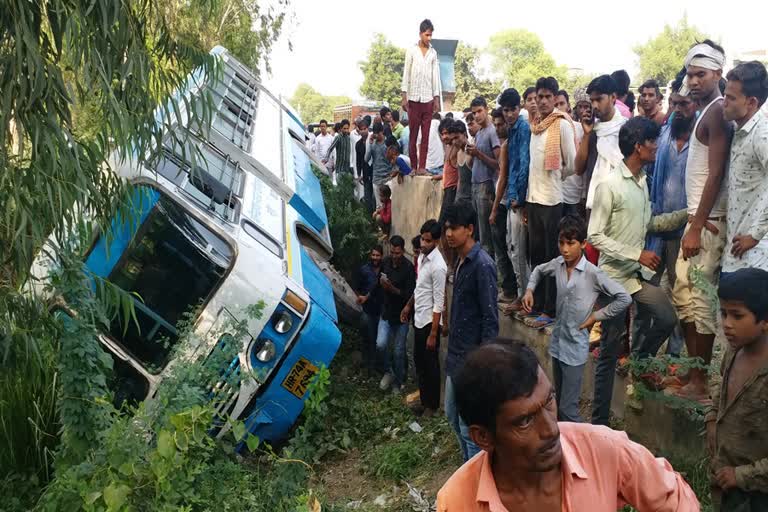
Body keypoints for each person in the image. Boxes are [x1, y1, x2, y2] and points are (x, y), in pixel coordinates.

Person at [436, 340, 700, 511]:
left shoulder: (603, 449)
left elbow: (678, 501)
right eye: (525, 421)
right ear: (483, 437)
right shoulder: (458, 502)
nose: (551, 430)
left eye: (549, 400)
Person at [588, 117, 688, 425]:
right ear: (637, 146)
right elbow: (595, 236)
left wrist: (690, 213)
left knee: (668, 317)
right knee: (607, 351)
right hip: (614, 280)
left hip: (635, 277)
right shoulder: (610, 186)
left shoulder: (642, 181)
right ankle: (599, 423)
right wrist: (637, 254)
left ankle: (639, 361)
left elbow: (647, 225)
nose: (657, 146)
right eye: (652, 141)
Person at [522, 216, 631, 422]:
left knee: (568, 409)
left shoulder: (593, 274)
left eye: (571, 243)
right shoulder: (558, 265)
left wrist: (596, 317)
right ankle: (564, 448)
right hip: (558, 345)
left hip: (575, 349)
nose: (565, 249)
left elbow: (623, 298)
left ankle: (582, 447)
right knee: (560, 405)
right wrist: (529, 290)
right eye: (561, 243)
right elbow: (537, 270)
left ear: (583, 244)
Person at [673, 40, 732, 401]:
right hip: (698, 218)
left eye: (701, 74)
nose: (693, 81)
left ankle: (700, 383)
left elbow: (715, 174)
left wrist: (697, 225)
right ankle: (694, 373)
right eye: (691, 75)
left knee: (700, 301)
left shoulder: (717, 112)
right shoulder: (706, 110)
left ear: (718, 74)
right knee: (684, 295)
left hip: (707, 224)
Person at [643, 68, 695, 358]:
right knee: (647, 290)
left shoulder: (702, 139)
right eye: (674, 104)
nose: (677, 110)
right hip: (655, 226)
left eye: (683, 105)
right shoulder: (663, 135)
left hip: (684, 232)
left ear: (694, 106)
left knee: (681, 295)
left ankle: (675, 356)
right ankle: (644, 353)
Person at [707, 269, 768, 511]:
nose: (727, 325)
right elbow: (720, 387)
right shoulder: (734, 351)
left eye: (737, 316)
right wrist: (712, 416)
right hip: (727, 490)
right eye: (723, 313)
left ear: (765, 320)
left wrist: (741, 476)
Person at [443, 201, 499, 461]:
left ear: (469, 229)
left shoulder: (482, 265)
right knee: (450, 414)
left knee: (469, 428)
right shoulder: (461, 261)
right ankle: (470, 469)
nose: (449, 234)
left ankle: (476, 479)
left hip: (472, 361)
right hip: (456, 356)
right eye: (446, 228)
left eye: (454, 228)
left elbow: (490, 318)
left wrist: (483, 365)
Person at [525, 76, 577, 328]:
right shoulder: (535, 126)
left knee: (552, 257)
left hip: (552, 201)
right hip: (533, 199)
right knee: (535, 256)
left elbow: (571, 164)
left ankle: (550, 309)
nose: (542, 101)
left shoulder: (562, 125)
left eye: (547, 97)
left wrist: (556, 176)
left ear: (555, 99)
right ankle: (536, 304)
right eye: (539, 96)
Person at [722, 61, 768, 273]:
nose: (724, 102)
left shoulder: (761, 133)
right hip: (736, 250)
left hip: (755, 255)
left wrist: (756, 235)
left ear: (751, 102)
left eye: (731, 98)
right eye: (725, 95)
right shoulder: (739, 130)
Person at [400, 220, 447, 417]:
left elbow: (439, 301)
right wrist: (408, 305)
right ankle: (424, 400)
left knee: (431, 366)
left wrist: (433, 334)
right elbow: (419, 287)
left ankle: (432, 406)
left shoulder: (439, 266)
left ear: (436, 241)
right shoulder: (421, 258)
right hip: (418, 317)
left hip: (430, 323)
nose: (423, 243)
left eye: (428, 240)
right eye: (422, 238)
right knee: (420, 363)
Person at [493, 88, 530, 307]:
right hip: (512, 197)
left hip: (518, 199)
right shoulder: (513, 129)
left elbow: (524, 164)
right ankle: (520, 292)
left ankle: (524, 296)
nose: (508, 114)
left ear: (519, 108)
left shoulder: (523, 128)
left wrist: (520, 197)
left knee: (518, 250)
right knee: (511, 247)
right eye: (505, 110)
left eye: (512, 109)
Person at [575, 75, 627, 212]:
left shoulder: (626, 129)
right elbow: (579, 169)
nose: (594, 105)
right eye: (592, 101)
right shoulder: (592, 130)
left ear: (613, 97)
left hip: (619, 204)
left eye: (599, 99)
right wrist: (586, 134)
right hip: (593, 204)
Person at [376, 235, 416, 394]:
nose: (394, 256)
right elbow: (379, 280)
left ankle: (399, 383)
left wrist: (392, 289)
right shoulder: (385, 262)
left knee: (399, 351)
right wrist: (381, 284)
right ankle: (389, 372)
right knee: (380, 345)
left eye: (398, 253)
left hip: (402, 316)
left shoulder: (408, 268)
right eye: (392, 252)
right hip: (386, 313)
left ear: (403, 251)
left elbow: (409, 295)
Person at [401, 19, 441, 174]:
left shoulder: (433, 53)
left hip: (428, 99)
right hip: (413, 99)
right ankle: (413, 167)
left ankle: (422, 167)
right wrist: (404, 95)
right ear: (420, 34)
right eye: (427, 35)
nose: (429, 38)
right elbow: (406, 73)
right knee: (413, 135)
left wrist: (436, 98)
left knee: (426, 136)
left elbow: (435, 77)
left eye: (431, 35)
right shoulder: (411, 51)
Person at [467, 96, 501, 258]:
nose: (477, 116)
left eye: (480, 111)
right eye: (474, 113)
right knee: (480, 232)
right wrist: (471, 154)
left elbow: (498, 164)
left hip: (486, 186)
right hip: (475, 186)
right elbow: (472, 164)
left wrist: (478, 154)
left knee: (488, 235)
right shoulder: (479, 133)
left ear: (486, 109)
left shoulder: (492, 131)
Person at [556, 89, 586, 218]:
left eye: (561, 104)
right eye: (555, 105)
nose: (558, 108)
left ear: (568, 106)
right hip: (555, 194)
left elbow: (585, 163)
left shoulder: (580, 129)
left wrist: (584, 193)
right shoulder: (545, 131)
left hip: (574, 193)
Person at [355, 245, 384, 370]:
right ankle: (370, 365)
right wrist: (360, 298)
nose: (375, 258)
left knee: (381, 341)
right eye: (373, 255)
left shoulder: (385, 269)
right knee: (369, 337)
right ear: (370, 255)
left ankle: (381, 365)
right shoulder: (364, 270)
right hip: (368, 310)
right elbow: (357, 288)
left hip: (382, 310)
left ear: (381, 256)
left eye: (378, 255)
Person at [437, 119, 459, 222]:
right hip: (447, 189)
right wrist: (441, 176)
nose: (444, 136)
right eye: (442, 134)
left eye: (446, 133)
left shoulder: (456, 147)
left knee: (444, 223)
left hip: (453, 191)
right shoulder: (448, 147)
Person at [365, 122, 391, 207]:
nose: (377, 136)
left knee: (390, 205)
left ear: (382, 131)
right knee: (379, 206)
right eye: (375, 134)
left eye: (378, 133)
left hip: (388, 178)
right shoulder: (372, 144)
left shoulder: (388, 142)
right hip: (376, 178)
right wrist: (370, 144)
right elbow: (366, 159)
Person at [355, 118, 374, 212]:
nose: (363, 131)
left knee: (375, 197)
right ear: (359, 130)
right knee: (367, 197)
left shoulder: (372, 140)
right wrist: (359, 174)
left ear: (368, 128)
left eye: (365, 128)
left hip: (374, 172)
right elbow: (358, 161)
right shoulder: (358, 144)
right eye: (361, 129)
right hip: (365, 173)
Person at [452, 118, 473, 203]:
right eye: (453, 139)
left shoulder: (472, 152)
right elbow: (460, 179)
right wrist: (457, 198)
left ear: (464, 134)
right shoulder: (458, 153)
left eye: (457, 137)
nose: (454, 141)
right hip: (460, 199)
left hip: (471, 201)